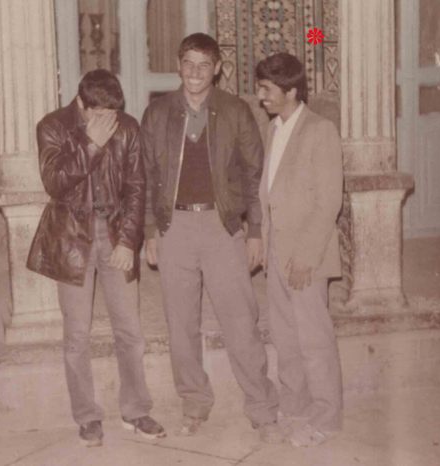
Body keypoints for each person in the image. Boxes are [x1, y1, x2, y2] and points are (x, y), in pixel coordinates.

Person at [140, 33, 281, 443]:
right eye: (188, 63)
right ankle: (195, 403)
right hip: (175, 228)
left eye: (204, 64)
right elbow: (146, 175)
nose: (195, 72)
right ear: (178, 65)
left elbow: (255, 175)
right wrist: (150, 231)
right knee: (181, 325)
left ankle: (262, 408)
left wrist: (255, 231)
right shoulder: (158, 113)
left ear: (218, 68)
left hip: (223, 227)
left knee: (241, 321)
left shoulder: (236, 111)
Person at [26, 69, 165, 447]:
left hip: (116, 234)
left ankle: (136, 410)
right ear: (82, 104)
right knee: (77, 334)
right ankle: (87, 417)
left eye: (113, 113)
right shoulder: (53, 126)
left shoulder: (128, 127)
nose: (108, 121)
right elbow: (54, 183)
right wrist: (90, 144)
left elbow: (137, 188)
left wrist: (128, 242)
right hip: (73, 239)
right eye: (99, 114)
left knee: (130, 330)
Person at [255, 52, 344, 447]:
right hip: (277, 249)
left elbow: (328, 202)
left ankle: (326, 418)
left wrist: (307, 258)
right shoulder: (274, 128)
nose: (260, 96)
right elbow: (270, 192)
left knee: (314, 340)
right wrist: (265, 242)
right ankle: (294, 407)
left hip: (306, 254)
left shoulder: (320, 130)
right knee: (286, 336)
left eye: (266, 89)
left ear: (291, 91)